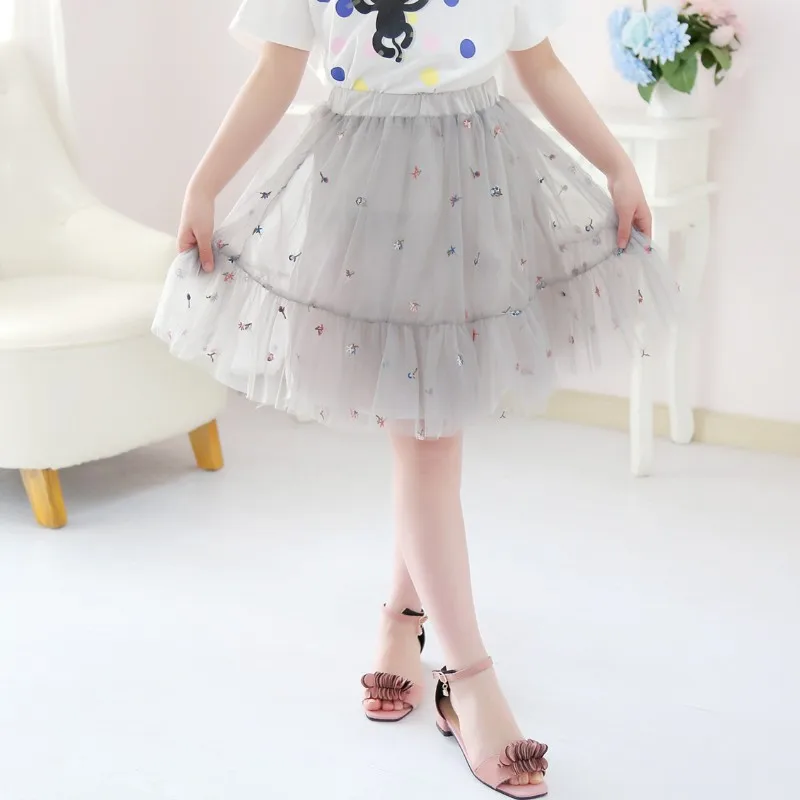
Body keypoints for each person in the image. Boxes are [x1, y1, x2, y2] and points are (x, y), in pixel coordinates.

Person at [152, 1, 679, 795]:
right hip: (365, 196)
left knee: (431, 429)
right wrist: (203, 185)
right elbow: (276, 68)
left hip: (476, 189)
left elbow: (540, 65)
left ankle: (405, 623)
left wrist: (616, 165)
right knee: (423, 435)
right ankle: (467, 678)